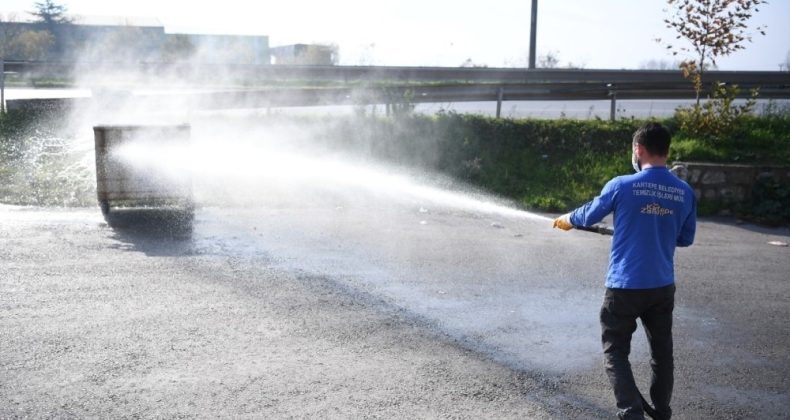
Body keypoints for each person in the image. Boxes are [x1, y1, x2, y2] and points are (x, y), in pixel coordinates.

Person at [553, 122, 696, 420]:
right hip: (661, 286)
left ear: (638, 149)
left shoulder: (622, 185)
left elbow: (589, 214)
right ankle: (661, 411)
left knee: (616, 351)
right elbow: (685, 238)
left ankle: (631, 412)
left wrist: (568, 218)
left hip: (624, 286)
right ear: (666, 152)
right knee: (661, 354)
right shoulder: (684, 192)